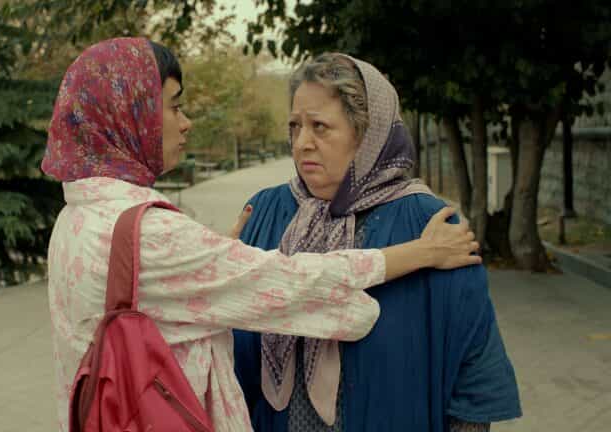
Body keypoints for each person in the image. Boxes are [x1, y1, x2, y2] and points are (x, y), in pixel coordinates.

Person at [42, 38, 480, 432]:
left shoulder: (77, 217)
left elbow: (474, 376)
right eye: (174, 107)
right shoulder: (160, 233)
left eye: (320, 127)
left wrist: (209, 263)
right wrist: (420, 253)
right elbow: (295, 283)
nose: (186, 122)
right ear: (127, 118)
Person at [232, 54, 521, 432]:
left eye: (320, 126)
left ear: (367, 134)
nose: (302, 143)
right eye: (295, 126)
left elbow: (472, 367)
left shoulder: (428, 225)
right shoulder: (266, 212)